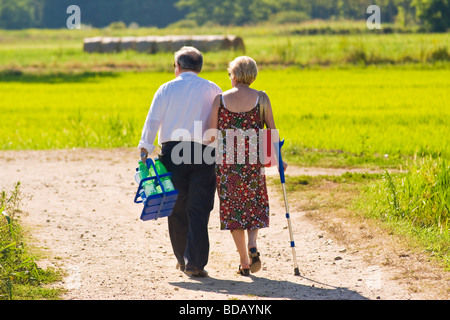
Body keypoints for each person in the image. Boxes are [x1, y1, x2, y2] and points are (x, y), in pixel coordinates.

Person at [138, 46, 222, 277]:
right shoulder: (213, 88)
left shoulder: (165, 88)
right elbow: (221, 123)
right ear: (199, 67)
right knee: (200, 206)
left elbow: (152, 121)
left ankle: (181, 259)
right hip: (204, 151)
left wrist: (145, 149)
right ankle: (195, 262)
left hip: (173, 151)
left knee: (176, 206)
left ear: (177, 67)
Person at [208, 56, 287, 276]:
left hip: (227, 164)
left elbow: (211, 135)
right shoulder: (262, 98)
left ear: (233, 75)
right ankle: (253, 243)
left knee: (234, 210)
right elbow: (271, 132)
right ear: (252, 75)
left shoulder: (220, 99)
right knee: (254, 205)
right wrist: (280, 160)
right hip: (253, 162)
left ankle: (244, 261)